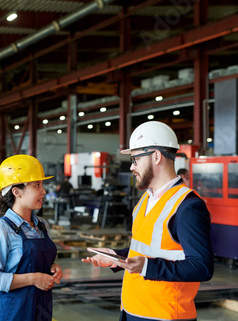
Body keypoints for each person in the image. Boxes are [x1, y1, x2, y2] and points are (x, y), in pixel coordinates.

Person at [82, 121, 213, 321]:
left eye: (135, 159)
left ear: (156, 156)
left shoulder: (187, 206)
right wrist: (117, 258)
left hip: (164, 315)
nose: (132, 167)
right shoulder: (145, 200)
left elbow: (202, 267)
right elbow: (147, 251)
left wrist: (146, 267)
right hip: (132, 310)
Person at [0, 154, 63, 321]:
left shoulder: (41, 225)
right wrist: (34, 278)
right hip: (12, 313)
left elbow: (34, 262)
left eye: (42, 184)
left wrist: (52, 268)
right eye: (37, 185)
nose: (44, 191)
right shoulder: (1, 230)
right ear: (17, 191)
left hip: (41, 310)